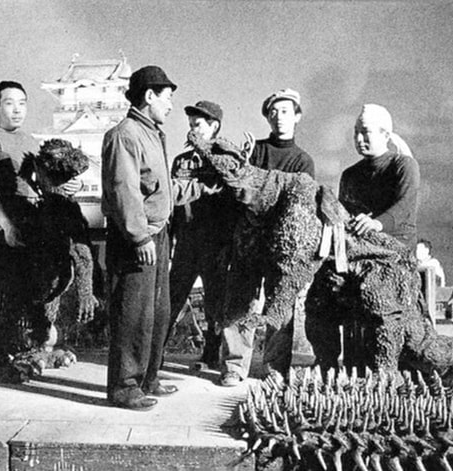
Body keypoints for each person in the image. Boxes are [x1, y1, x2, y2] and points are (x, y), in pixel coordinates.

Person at [101, 65, 213, 411]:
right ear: (149, 96)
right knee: (133, 314)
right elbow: (124, 191)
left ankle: (148, 378)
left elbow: (161, 190)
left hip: (157, 235)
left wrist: (202, 187)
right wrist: (139, 238)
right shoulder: (125, 135)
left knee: (157, 312)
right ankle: (124, 387)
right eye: (167, 98)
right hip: (136, 237)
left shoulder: (151, 134)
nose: (171, 105)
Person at [219, 88, 316, 386]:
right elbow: (238, 192)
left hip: (281, 245)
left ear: (297, 116)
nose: (279, 117)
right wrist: (242, 164)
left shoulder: (303, 161)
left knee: (280, 304)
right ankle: (234, 366)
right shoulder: (255, 152)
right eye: (273, 112)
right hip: (248, 239)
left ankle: (275, 366)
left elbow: (299, 208)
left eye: (285, 111)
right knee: (239, 301)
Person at [0, 80, 81, 247]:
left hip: (35, 214)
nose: (17, 110)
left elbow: (46, 180)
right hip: (4, 218)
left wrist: (74, 184)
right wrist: (7, 226)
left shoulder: (30, 141)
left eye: (22, 103)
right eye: (9, 103)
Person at [166, 100, 231, 370]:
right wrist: (170, 242)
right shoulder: (181, 161)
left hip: (214, 244)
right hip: (186, 242)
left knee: (214, 302)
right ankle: (154, 355)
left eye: (199, 124)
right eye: (191, 124)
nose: (193, 129)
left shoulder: (225, 160)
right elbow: (171, 206)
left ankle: (211, 354)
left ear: (214, 126)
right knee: (171, 299)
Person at [339, 104, 419, 247]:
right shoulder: (349, 175)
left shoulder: (403, 165)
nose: (359, 138)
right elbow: (344, 214)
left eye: (365, 132)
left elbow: (405, 205)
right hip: (362, 245)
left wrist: (377, 223)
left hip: (398, 246)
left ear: (385, 135)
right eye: (356, 132)